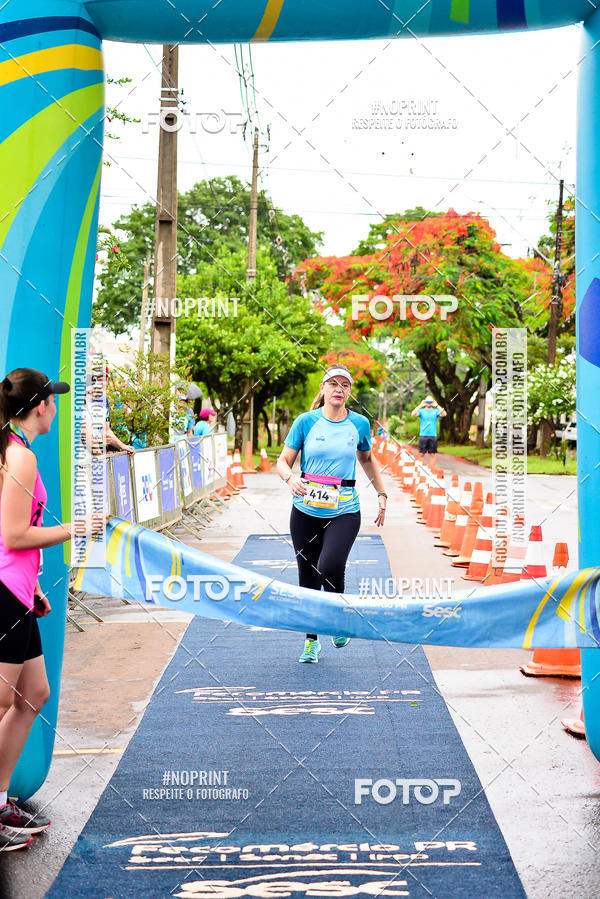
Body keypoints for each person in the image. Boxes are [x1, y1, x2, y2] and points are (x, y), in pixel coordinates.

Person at [0, 369, 106, 851]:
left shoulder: (15, 449)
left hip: (19, 589)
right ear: (42, 405)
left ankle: (0, 801)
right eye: (54, 399)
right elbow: (15, 536)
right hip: (4, 591)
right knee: (2, 702)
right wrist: (77, 528)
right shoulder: (18, 457)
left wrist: (34, 585)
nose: (57, 407)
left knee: (33, 694)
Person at [277, 364, 387, 663]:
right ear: (323, 389)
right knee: (308, 576)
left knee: (330, 565)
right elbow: (283, 461)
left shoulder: (360, 424)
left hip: (345, 508)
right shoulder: (305, 422)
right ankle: (311, 641)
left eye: (345, 385)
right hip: (305, 509)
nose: (339, 389)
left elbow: (366, 459)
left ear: (349, 392)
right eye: (333, 383)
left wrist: (381, 492)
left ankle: (338, 618)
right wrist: (291, 478)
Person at [411, 395, 446, 463]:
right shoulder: (421, 411)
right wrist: (421, 405)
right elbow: (413, 414)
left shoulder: (435, 411)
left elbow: (444, 414)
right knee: (421, 454)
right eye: (427, 401)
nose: (429, 403)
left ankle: (431, 469)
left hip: (433, 435)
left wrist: (437, 405)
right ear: (425, 402)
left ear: (432, 402)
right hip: (423, 435)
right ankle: (422, 469)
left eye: (430, 402)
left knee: (432, 454)